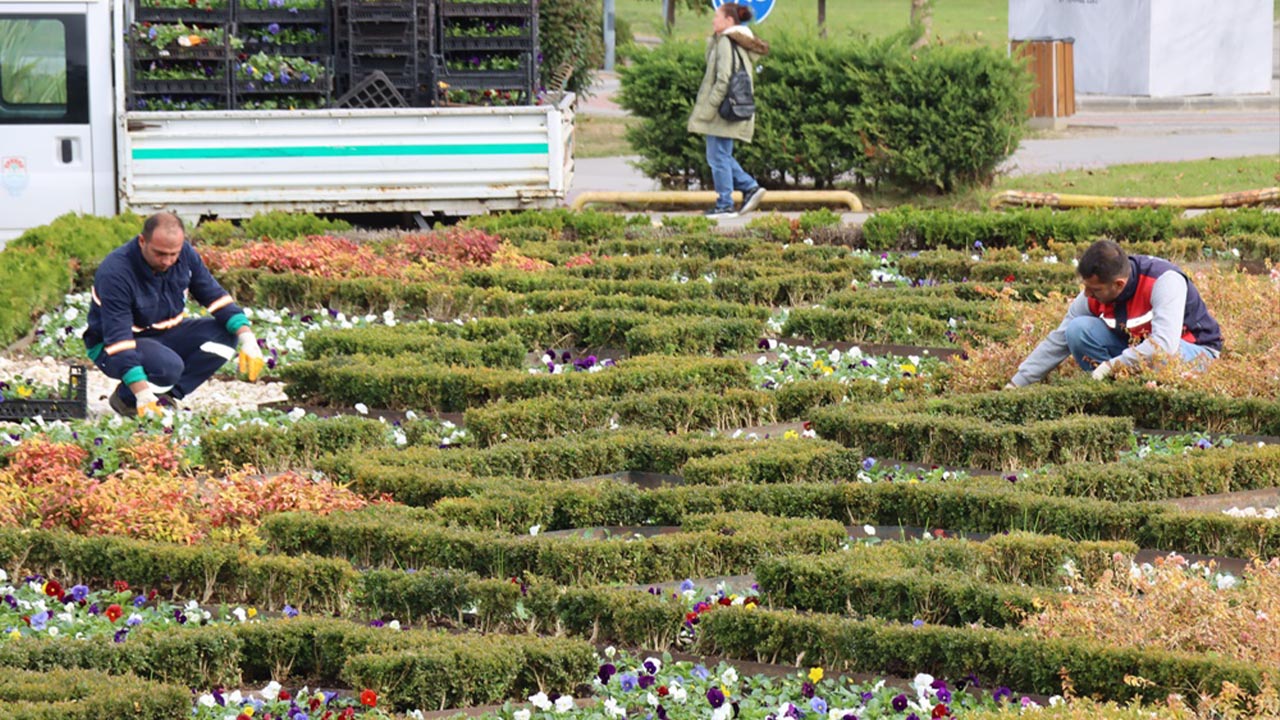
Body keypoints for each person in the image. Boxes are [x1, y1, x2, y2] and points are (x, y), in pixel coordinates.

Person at [83, 212, 265, 417]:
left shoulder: (185, 255)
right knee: (167, 367)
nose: (168, 261)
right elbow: (119, 341)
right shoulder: (116, 272)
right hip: (111, 346)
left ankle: (167, 396)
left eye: (173, 254)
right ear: (142, 241)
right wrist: (142, 393)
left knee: (226, 335)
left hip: (165, 333)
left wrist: (247, 337)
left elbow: (214, 296)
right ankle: (127, 399)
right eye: (160, 253)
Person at [1006, 240, 1222, 387]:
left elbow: (1164, 346)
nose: (1087, 294)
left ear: (1118, 284)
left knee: (1162, 357)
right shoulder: (1094, 293)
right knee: (1077, 330)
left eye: (1095, 289)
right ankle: (1119, 390)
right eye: (1086, 287)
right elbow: (1058, 339)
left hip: (1193, 351)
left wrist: (1113, 365)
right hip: (1137, 350)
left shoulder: (1164, 281)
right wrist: (1016, 384)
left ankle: (1141, 390)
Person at [687, 2, 769, 220]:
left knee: (718, 157)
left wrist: (708, 108)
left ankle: (726, 203)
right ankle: (749, 188)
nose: (713, 21)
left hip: (722, 109)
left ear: (729, 21)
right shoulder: (737, 41)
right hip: (733, 107)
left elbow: (722, 79)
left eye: (717, 17)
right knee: (720, 155)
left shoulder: (726, 41)